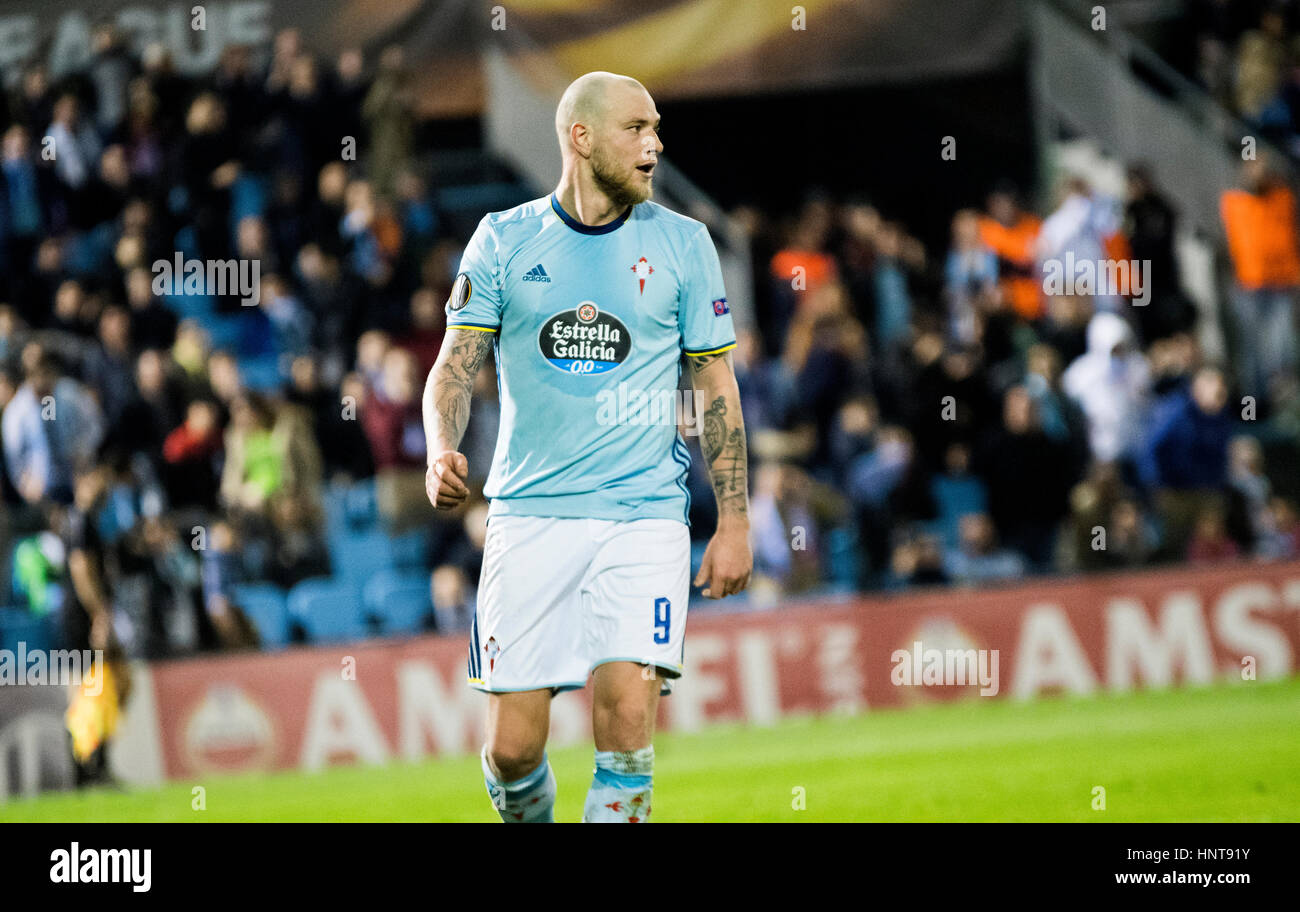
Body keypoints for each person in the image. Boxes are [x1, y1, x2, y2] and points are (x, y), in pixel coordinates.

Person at [422, 72, 752, 824]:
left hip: (644, 517)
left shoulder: (684, 243)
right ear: (582, 137)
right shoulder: (505, 240)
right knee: (511, 750)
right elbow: (453, 367)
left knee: (628, 724)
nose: (655, 145)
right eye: (637, 128)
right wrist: (441, 449)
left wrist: (732, 518)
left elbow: (716, 387)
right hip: (530, 515)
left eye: (656, 127)